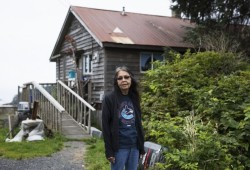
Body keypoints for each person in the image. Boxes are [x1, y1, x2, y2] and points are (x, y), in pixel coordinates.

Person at [102, 66, 145, 170]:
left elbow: (138, 123)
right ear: (116, 81)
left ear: (131, 79)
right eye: (120, 78)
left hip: (134, 146)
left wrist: (141, 147)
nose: (123, 80)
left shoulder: (135, 97)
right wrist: (109, 151)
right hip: (119, 148)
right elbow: (105, 127)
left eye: (126, 77)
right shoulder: (109, 98)